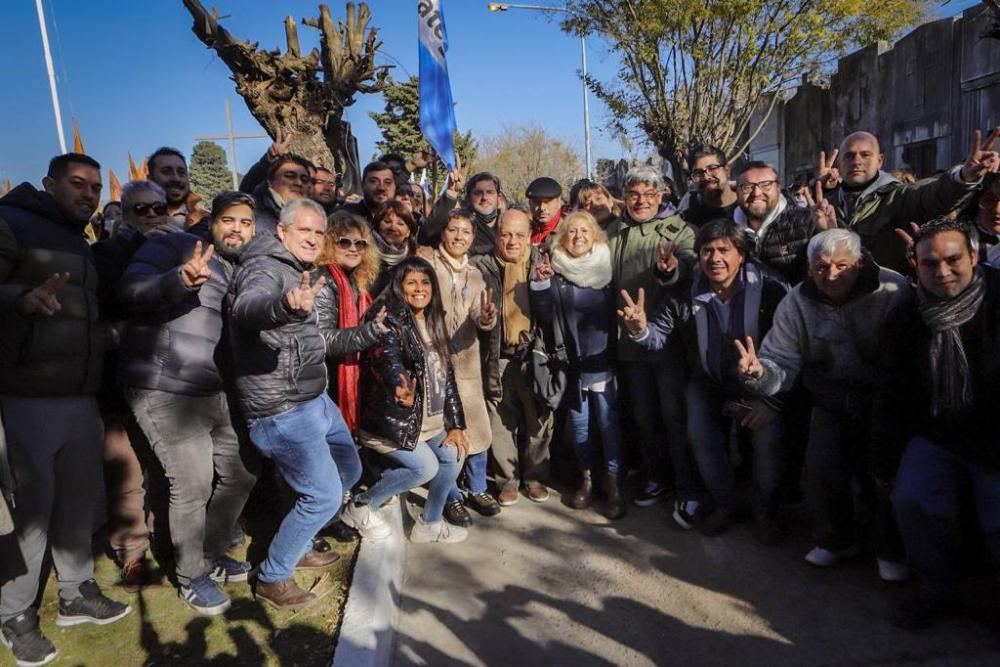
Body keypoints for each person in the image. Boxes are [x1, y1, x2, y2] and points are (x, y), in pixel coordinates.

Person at [0, 154, 131, 667]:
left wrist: (104, 335)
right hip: (25, 393)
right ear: (49, 182)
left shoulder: (80, 237)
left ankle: (75, 592)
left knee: (79, 500)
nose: (89, 193)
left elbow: (78, 310)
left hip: (80, 393)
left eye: (95, 186)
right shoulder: (11, 222)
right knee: (34, 510)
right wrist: (20, 300)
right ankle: (15, 615)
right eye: (78, 183)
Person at [229, 198, 380, 610]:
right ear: (282, 232)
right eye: (304, 231)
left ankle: (299, 541)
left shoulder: (299, 269)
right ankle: (273, 577)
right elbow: (248, 309)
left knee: (348, 469)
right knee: (325, 496)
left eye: (318, 232)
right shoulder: (264, 268)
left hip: (314, 399)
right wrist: (284, 306)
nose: (313, 239)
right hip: (281, 408)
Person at [736, 229, 912, 578]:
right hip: (829, 398)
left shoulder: (893, 291)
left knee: (881, 476)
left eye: (842, 266)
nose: (831, 276)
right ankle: (836, 538)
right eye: (822, 267)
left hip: (883, 398)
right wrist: (759, 375)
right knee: (822, 472)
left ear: (860, 263)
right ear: (808, 268)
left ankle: (889, 547)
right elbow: (781, 362)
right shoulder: (797, 301)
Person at [118, 191, 261, 615]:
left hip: (214, 390)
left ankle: (213, 554)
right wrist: (177, 280)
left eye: (247, 223)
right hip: (164, 386)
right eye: (230, 220)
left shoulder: (240, 268)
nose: (237, 228)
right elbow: (132, 290)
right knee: (193, 483)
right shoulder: (174, 245)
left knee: (241, 472)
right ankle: (191, 575)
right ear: (212, 220)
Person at [621, 220, 789, 541]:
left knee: (768, 443)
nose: (715, 258)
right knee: (698, 430)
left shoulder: (771, 288)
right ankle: (724, 503)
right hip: (709, 380)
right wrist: (639, 329)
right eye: (707, 251)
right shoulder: (687, 290)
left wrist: (769, 394)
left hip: (763, 382)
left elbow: (793, 350)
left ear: (742, 255)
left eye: (724, 250)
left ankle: (765, 511)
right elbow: (657, 337)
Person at [873, 218, 1000, 629]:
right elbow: (891, 393)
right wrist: (886, 460)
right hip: (938, 432)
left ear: (974, 256)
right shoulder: (908, 313)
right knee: (912, 498)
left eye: (952, 259)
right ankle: (937, 585)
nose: (942, 272)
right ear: (916, 266)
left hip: (995, 436)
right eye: (930, 263)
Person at [352, 256, 470, 543]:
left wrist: (456, 424)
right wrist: (399, 384)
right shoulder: (389, 319)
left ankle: (429, 523)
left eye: (425, 282)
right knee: (424, 467)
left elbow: (448, 377)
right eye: (411, 282)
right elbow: (387, 356)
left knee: (454, 454)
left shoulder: (433, 318)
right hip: (394, 420)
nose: (420, 288)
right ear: (399, 287)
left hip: (426, 421)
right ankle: (361, 505)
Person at [91, 179, 173, 591]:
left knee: (164, 470)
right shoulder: (101, 256)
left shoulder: (177, 250)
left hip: (165, 381)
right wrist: (113, 329)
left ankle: (165, 541)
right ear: (124, 214)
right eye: (142, 210)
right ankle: (132, 554)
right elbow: (93, 314)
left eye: (159, 208)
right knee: (126, 474)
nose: (153, 217)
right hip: (116, 382)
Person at [607, 165, 699, 524]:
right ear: (624, 197)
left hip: (667, 343)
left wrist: (669, 269)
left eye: (649, 194)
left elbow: (688, 266)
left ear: (663, 195)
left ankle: (688, 486)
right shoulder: (614, 232)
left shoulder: (680, 230)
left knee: (675, 419)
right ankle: (658, 477)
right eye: (634, 194)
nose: (641, 200)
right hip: (629, 344)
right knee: (644, 419)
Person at [532, 211, 626, 519]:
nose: (578, 237)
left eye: (585, 231)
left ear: (596, 236)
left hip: (604, 362)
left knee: (609, 426)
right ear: (562, 237)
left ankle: (613, 485)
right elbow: (545, 318)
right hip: (572, 367)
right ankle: (586, 478)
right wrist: (542, 286)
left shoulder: (609, 271)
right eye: (571, 232)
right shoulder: (554, 272)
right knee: (578, 426)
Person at [816, 128, 997, 274]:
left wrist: (964, 177)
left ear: (880, 161)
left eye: (865, 155)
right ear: (839, 164)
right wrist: (819, 189)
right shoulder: (828, 201)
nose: (857, 161)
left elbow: (937, 194)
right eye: (849, 156)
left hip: (889, 301)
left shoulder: (901, 196)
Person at [416, 211, 499, 526]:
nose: (459, 236)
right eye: (453, 230)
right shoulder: (427, 265)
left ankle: (477, 487)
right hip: (432, 362)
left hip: (467, 363)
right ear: (443, 233)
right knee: (442, 429)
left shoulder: (476, 275)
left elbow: (481, 316)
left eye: (466, 232)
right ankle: (450, 495)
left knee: (476, 426)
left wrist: (486, 318)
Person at [472, 208, 553, 504]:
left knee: (539, 421)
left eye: (520, 235)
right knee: (501, 422)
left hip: (534, 356)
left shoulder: (543, 263)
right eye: (505, 234)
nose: (512, 241)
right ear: (496, 235)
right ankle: (508, 480)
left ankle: (535, 478)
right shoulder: (480, 266)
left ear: (530, 236)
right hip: (497, 355)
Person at [315, 210, 385, 432]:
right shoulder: (324, 279)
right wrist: (369, 332)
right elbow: (322, 339)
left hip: (350, 380)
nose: (353, 248)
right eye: (344, 242)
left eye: (360, 243)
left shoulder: (357, 281)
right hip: (327, 386)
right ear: (329, 243)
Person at [734, 160, 820, 285]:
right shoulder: (729, 228)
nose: (756, 193)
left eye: (766, 185)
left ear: (778, 188)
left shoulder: (808, 222)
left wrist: (829, 231)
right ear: (738, 191)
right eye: (747, 187)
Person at [420, 171, 502, 255]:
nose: (484, 197)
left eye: (490, 192)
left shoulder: (510, 223)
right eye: (478, 193)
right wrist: (451, 192)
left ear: (499, 198)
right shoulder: (460, 222)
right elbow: (428, 234)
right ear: (469, 198)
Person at [251, 154, 314, 236]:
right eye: (290, 176)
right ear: (271, 181)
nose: (299, 183)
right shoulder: (252, 213)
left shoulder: (314, 218)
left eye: (304, 180)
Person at [147, 146, 208, 230]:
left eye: (181, 172)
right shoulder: (133, 223)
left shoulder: (208, 222)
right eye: (166, 172)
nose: (176, 178)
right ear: (150, 180)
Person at [680, 145, 739, 228]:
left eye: (712, 168)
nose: (706, 177)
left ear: (727, 170)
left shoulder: (748, 204)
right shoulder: (689, 214)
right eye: (698, 173)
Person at [371, 199, 418, 296]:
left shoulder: (414, 261)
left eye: (400, 224)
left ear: (408, 232)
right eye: (387, 221)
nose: (393, 227)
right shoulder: (362, 254)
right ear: (377, 225)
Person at [338, 161, 396, 227]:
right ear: (363, 185)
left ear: (395, 187)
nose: (381, 188)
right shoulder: (345, 216)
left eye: (387, 182)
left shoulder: (403, 217)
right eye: (374, 181)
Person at [526, 177, 563, 248]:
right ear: (530, 204)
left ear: (558, 202)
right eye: (537, 202)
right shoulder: (525, 230)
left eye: (547, 202)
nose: (542, 207)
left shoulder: (568, 232)